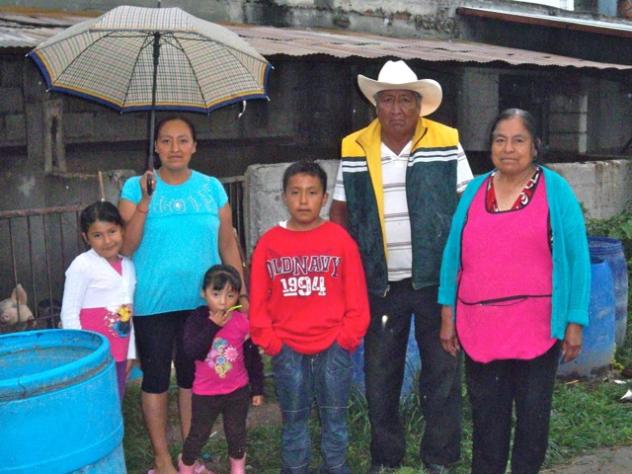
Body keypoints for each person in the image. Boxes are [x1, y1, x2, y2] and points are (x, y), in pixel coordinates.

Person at [329, 59, 473, 473]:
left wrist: (463, 272)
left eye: (405, 100)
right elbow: (339, 212)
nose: (396, 109)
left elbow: (466, 206)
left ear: (419, 104)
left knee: (443, 374)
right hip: (380, 284)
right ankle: (386, 458)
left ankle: (440, 459)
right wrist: (348, 272)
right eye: (387, 100)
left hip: (435, 282)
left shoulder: (446, 141)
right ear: (375, 104)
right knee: (380, 376)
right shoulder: (355, 146)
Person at [438, 108, 590, 474]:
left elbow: (577, 258)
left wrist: (575, 320)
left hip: (537, 328)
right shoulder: (474, 190)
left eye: (518, 140)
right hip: (481, 326)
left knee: (532, 421)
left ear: (535, 146)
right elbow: (453, 255)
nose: (508, 149)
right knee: (487, 421)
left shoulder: (556, 191)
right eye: (500, 140)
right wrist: (447, 313)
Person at [119, 116, 247, 474]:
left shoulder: (211, 188)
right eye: (166, 140)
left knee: (195, 380)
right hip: (153, 303)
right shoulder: (135, 187)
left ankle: (190, 458)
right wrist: (146, 200)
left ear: (194, 146)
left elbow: (227, 244)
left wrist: (241, 293)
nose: (174, 148)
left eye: (182, 140)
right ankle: (162, 459)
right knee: (156, 378)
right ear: (155, 147)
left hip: (204, 305)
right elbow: (126, 246)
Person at [249, 160, 370, 474]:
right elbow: (258, 300)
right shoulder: (269, 243)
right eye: (295, 192)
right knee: (294, 421)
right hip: (287, 347)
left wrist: (346, 338)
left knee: (335, 420)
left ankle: (336, 467)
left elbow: (357, 298)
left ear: (324, 198)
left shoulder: (340, 241)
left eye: (312, 192)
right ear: (284, 197)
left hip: (334, 346)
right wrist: (271, 342)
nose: (303, 200)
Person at [179, 264, 263, 474]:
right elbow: (192, 351)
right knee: (198, 434)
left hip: (237, 390)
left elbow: (253, 357)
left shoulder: (241, 322)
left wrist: (257, 388)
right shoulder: (197, 320)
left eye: (230, 295)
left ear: (237, 297)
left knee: (237, 433)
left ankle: (238, 468)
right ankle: (186, 466)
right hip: (205, 393)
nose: (223, 302)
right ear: (204, 293)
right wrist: (213, 326)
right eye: (216, 294)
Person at [61, 200, 136, 400]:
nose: (107, 241)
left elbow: (129, 315)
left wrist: (130, 353)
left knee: (115, 399)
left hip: (120, 353)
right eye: (97, 235)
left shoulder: (129, 265)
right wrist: (82, 352)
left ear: (122, 230)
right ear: (85, 238)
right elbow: (69, 312)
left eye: (112, 231)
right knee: (93, 401)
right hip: (93, 355)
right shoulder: (82, 265)